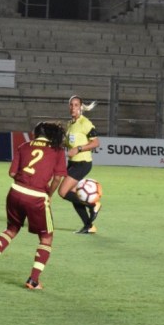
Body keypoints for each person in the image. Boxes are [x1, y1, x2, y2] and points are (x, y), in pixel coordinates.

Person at [0, 122, 67, 290]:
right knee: (46, 237)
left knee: (11, 230)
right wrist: (49, 195)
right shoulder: (57, 150)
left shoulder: (24, 146)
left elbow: (12, 173)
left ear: (37, 133)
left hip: (15, 192)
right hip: (37, 197)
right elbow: (57, 178)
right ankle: (33, 280)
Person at [58, 95, 101, 234]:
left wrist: (79, 148)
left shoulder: (85, 123)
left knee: (62, 192)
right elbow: (69, 142)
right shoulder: (70, 124)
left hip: (82, 163)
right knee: (72, 195)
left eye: (76, 105)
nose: (73, 107)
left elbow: (95, 143)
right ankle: (89, 226)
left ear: (81, 107)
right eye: (71, 105)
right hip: (72, 163)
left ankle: (93, 204)